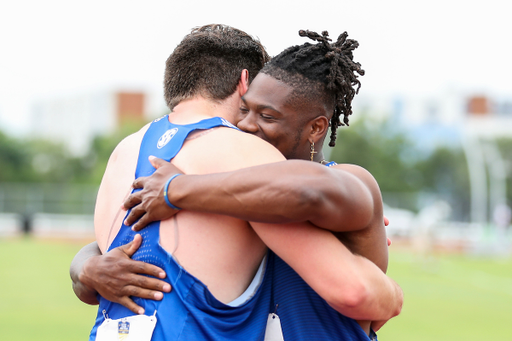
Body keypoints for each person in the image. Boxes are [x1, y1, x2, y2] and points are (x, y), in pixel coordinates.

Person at [71, 26, 402, 340]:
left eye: (267, 115)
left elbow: (306, 193)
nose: (246, 125)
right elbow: (129, 239)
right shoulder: (247, 186)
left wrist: (178, 190)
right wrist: (85, 266)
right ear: (244, 84)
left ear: (316, 128)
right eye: (245, 109)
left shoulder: (343, 180)